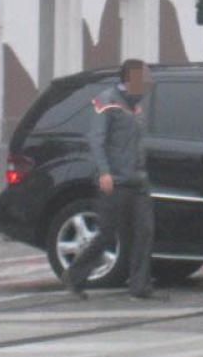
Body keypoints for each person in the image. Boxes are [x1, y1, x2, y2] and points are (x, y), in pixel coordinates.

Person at [63, 59, 159, 300]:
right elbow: (96, 140)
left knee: (144, 232)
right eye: (144, 77)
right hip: (115, 182)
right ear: (130, 78)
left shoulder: (136, 105)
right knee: (107, 234)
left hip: (138, 182)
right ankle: (75, 276)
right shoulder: (107, 101)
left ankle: (139, 286)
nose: (149, 82)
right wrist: (104, 172)